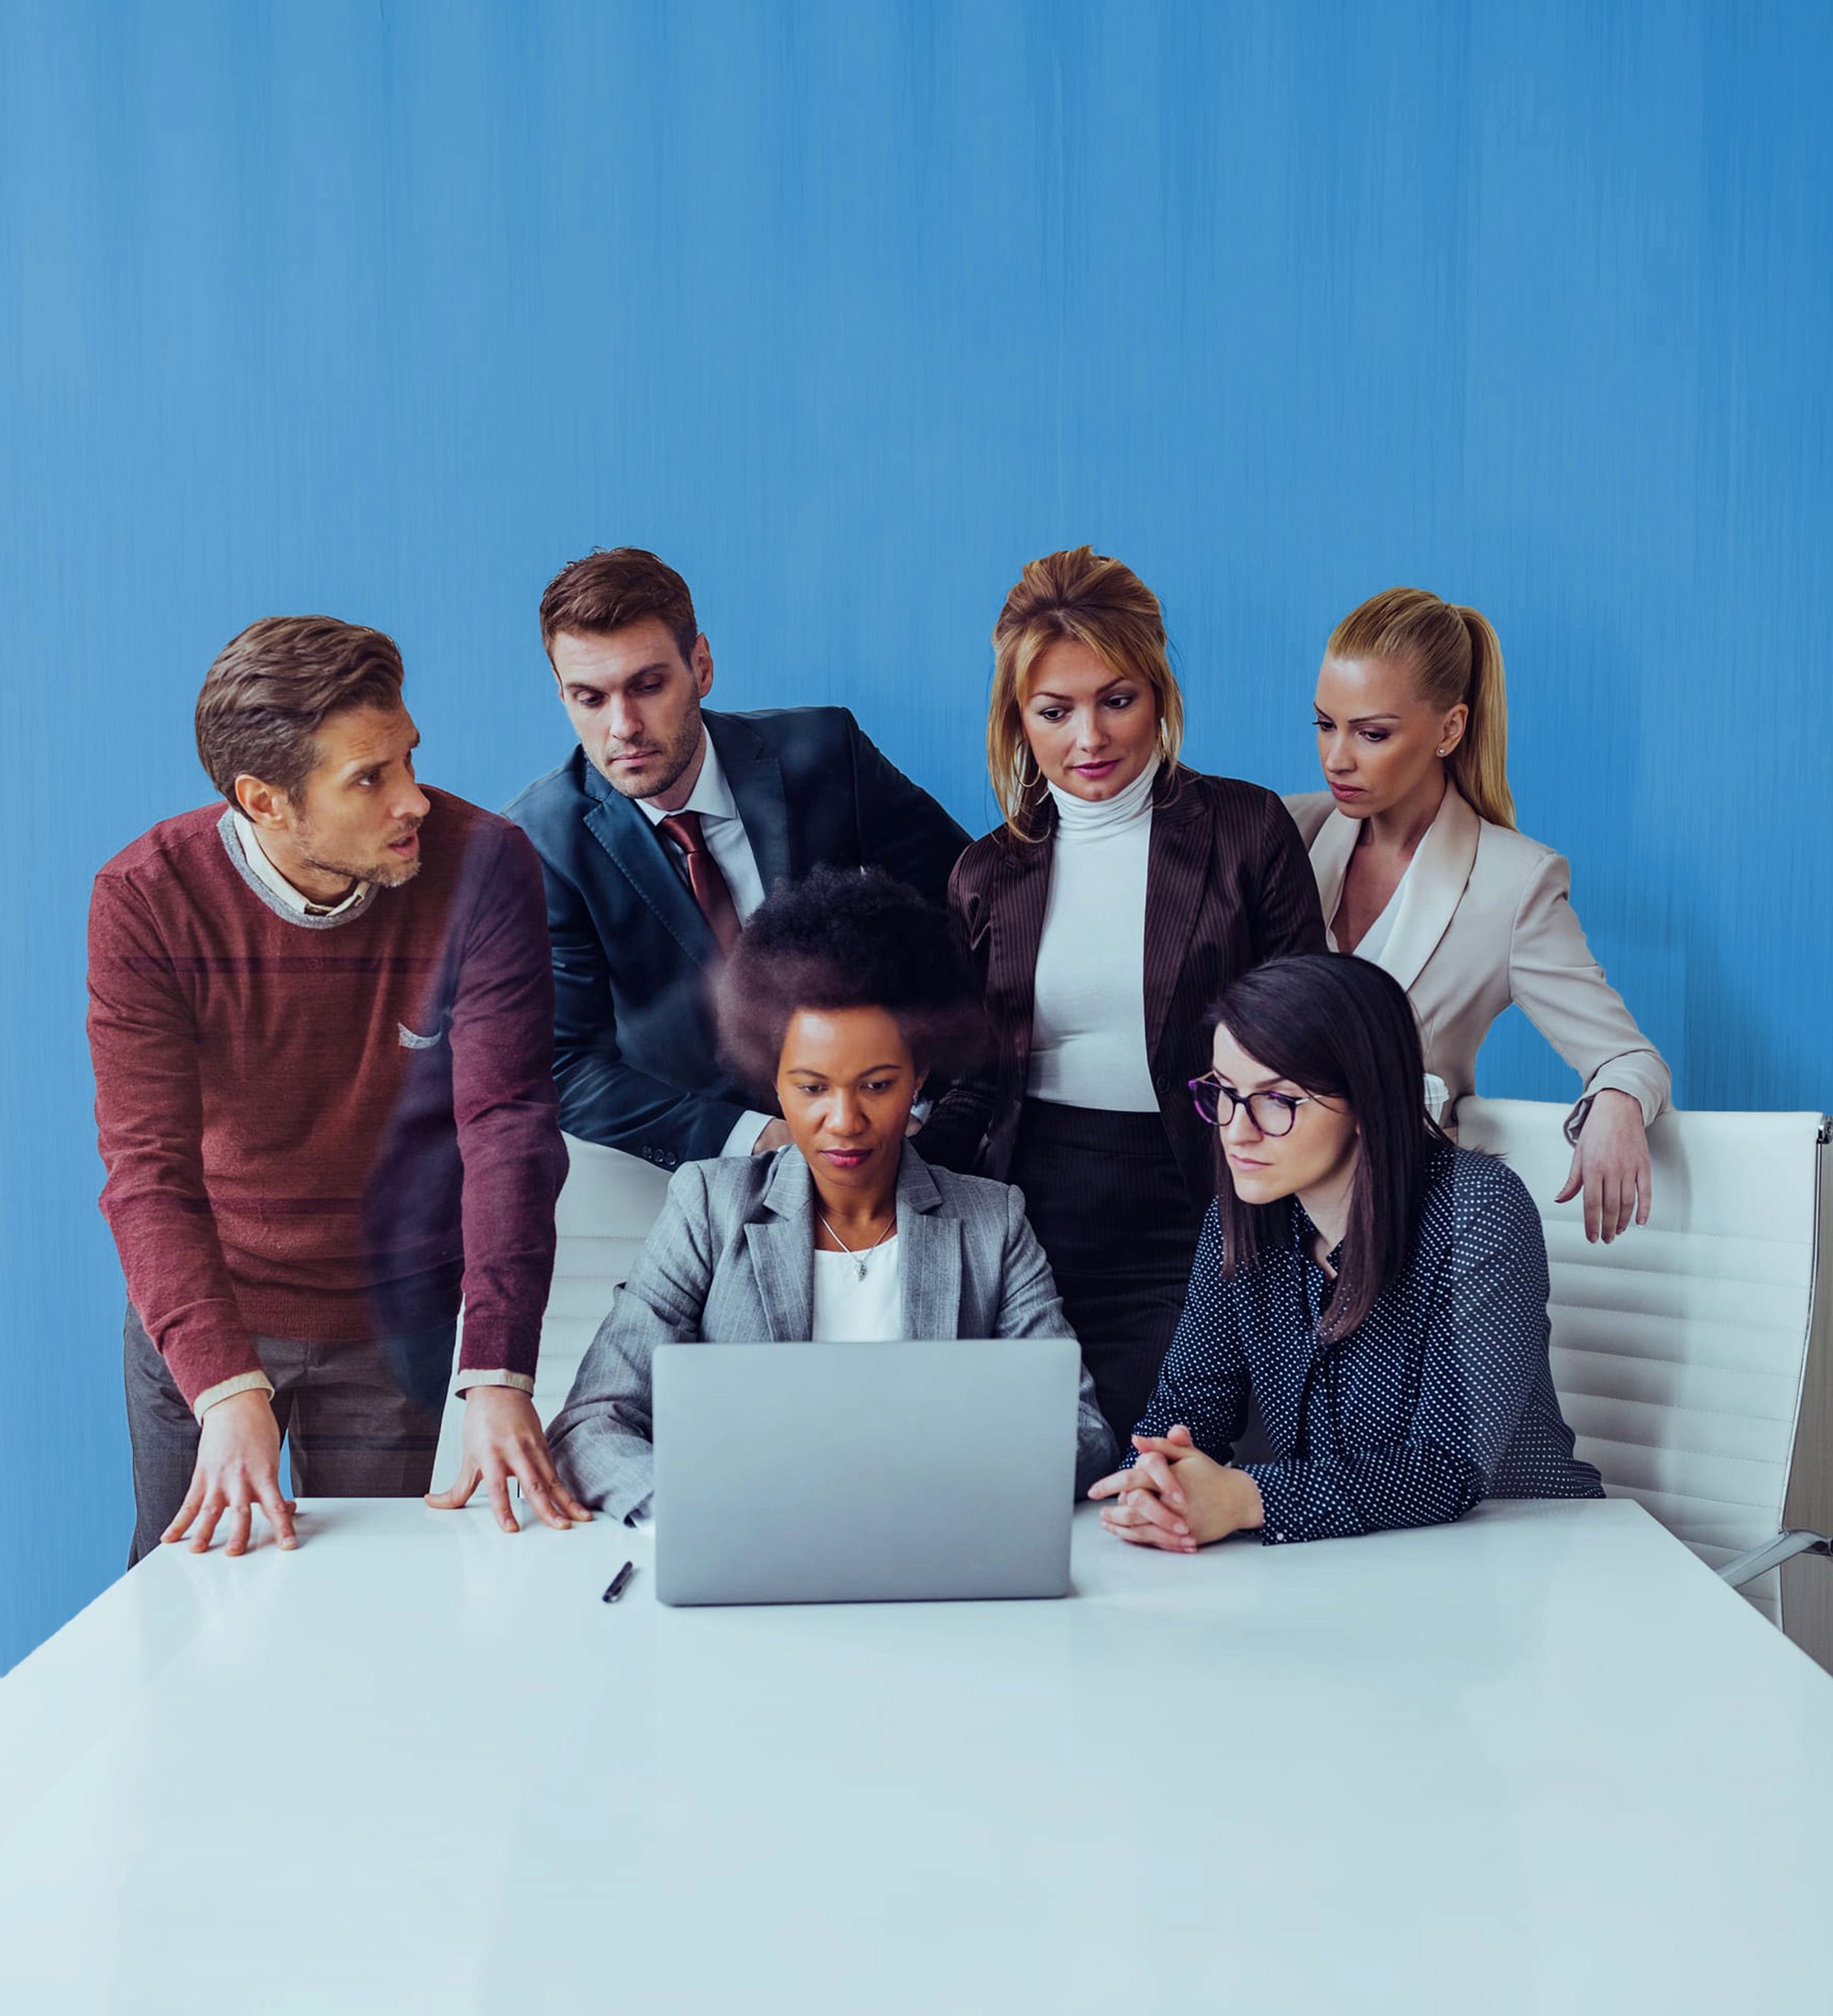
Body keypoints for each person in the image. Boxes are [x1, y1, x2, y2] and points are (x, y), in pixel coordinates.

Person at [88, 616, 587, 1563]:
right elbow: (146, 1171)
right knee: (180, 1593)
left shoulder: (484, 864)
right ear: (264, 802)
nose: (413, 800)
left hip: (396, 1313)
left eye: (408, 757)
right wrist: (227, 1390)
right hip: (213, 1306)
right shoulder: (146, 898)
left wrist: (495, 1369)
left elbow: (507, 1125)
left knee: (375, 1614)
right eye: (368, 778)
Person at [546, 866, 1116, 1522]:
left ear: (918, 1077)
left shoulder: (993, 1223)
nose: (844, 1120)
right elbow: (591, 1422)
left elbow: (1081, 1431)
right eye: (813, 1088)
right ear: (775, 1083)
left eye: (875, 1085)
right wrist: (691, 1516)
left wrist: (932, 1492)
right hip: (741, 1547)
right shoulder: (708, 1207)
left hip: (931, 1551)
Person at [918, 548, 1325, 1441]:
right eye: (1054, 711)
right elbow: (971, 1083)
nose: (1089, 739)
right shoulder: (986, 873)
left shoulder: (1247, 830)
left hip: (1204, 1208)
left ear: (1157, 694)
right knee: (1031, 1480)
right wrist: (883, 1175)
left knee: (1166, 1471)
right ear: (1017, 720)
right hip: (1033, 1222)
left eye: (1116, 699)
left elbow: (1308, 1040)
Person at [1090, 953, 1603, 1551]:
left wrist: (1243, 1498)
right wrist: (1156, 1485)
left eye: (1277, 1100)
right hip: (1346, 1564)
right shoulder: (1239, 1219)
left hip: (1519, 1552)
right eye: (1224, 1093)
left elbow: (1448, 1464)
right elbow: (1185, 1412)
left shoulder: (1477, 1211)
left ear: (1366, 1099)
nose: (1235, 1130)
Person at [508, 547, 971, 1174]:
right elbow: (565, 1066)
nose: (624, 726)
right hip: (706, 1171)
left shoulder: (826, 752)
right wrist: (756, 1137)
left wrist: (923, 1089)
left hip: (895, 1137)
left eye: (648, 686)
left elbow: (968, 908)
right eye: (590, 698)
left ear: (700, 666)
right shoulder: (543, 842)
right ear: (561, 694)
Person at [1286, 586, 1670, 1244]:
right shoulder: (1284, 832)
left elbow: (1627, 1056)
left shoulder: (1514, 883)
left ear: (1450, 728)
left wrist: (1617, 1102)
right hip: (1266, 1216)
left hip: (1408, 1225)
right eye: (1325, 724)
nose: (1336, 758)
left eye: (1372, 733)